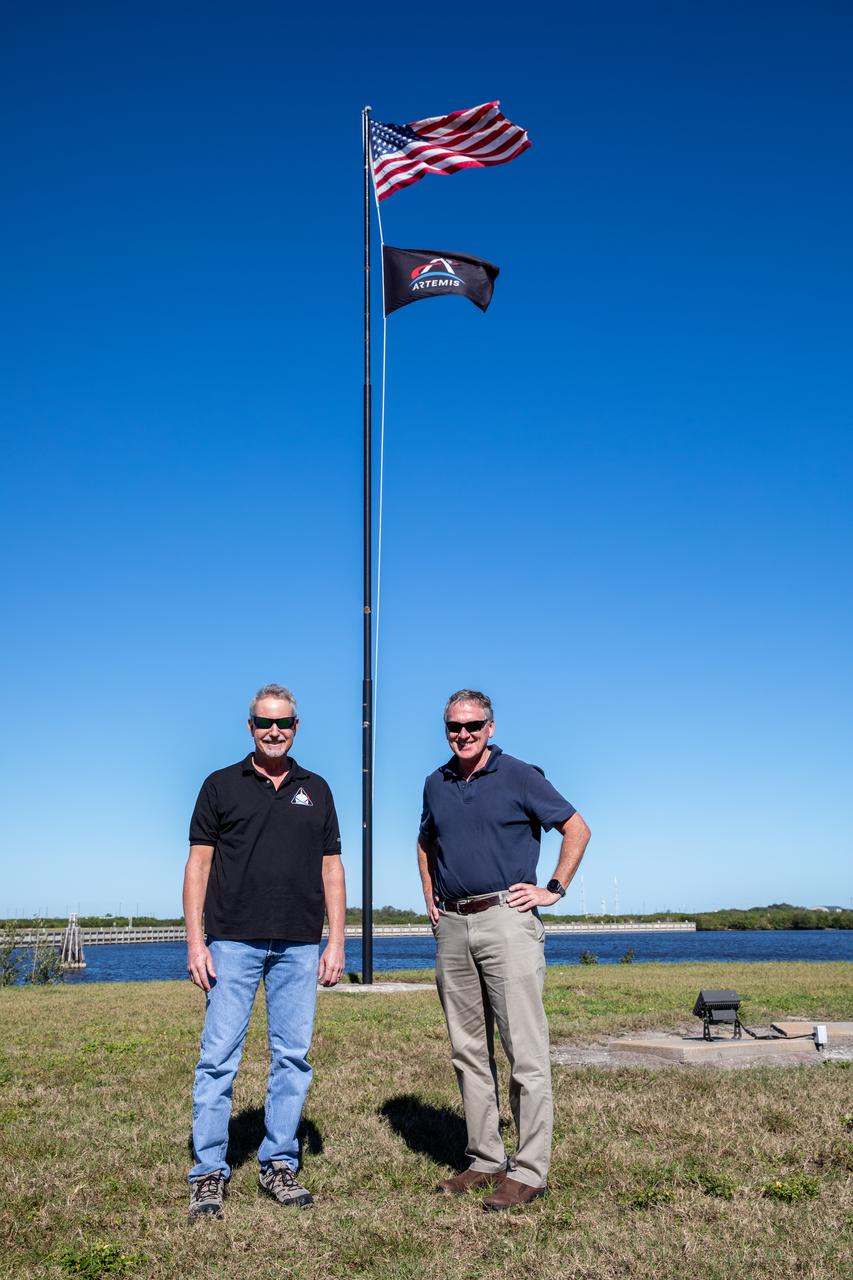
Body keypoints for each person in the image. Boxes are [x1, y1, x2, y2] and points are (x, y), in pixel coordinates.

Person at [418, 689, 590, 1211]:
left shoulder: (519, 775)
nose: (463, 735)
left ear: (491, 726)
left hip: (507, 921)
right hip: (453, 924)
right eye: (454, 727)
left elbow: (576, 829)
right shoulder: (436, 782)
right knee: (468, 1050)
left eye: (473, 726)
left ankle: (531, 1169)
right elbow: (426, 842)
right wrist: (431, 899)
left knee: (525, 1053)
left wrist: (553, 889)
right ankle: (484, 1159)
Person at [184, 683, 345, 1220]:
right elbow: (198, 866)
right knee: (218, 1059)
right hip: (231, 941)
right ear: (249, 726)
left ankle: (279, 1162)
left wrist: (336, 940)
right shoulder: (220, 786)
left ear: (296, 727)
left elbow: (332, 870)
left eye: (284, 723)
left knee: (292, 1059)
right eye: (263, 723)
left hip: (299, 944)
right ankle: (208, 1171)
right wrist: (195, 941)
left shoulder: (316, 790)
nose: (274, 731)